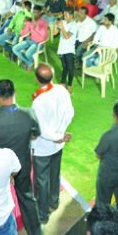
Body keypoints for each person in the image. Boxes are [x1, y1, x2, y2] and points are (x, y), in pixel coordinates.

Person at [0, 79, 42, 235]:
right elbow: (36, 133)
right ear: (15, 93)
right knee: (27, 197)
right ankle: (35, 234)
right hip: (22, 164)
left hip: (0, 167)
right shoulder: (28, 114)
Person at [31, 64, 74, 224]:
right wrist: (61, 132)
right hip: (58, 144)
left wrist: (58, 136)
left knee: (42, 181)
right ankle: (54, 202)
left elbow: (42, 130)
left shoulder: (39, 101)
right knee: (55, 174)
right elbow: (70, 113)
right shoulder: (62, 90)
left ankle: (42, 214)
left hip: (43, 147)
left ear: (36, 79)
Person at [12, 5, 48, 69]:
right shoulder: (31, 21)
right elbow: (23, 33)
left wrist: (35, 26)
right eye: (34, 12)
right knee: (15, 49)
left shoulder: (43, 23)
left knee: (28, 54)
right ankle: (29, 63)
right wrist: (24, 25)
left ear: (40, 13)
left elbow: (44, 37)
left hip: (38, 43)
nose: (35, 14)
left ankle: (28, 63)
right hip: (30, 40)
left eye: (37, 12)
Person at [55, 8, 78, 91]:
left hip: (69, 49)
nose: (64, 17)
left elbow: (67, 36)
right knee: (65, 67)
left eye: (66, 15)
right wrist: (56, 25)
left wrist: (62, 27)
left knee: (70, 68)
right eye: (64, 15)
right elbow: (55, 33)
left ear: (71, 15)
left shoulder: (74, 25)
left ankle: (70, 85)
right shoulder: (63, 22)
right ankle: (63, 82)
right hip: (61, 49)